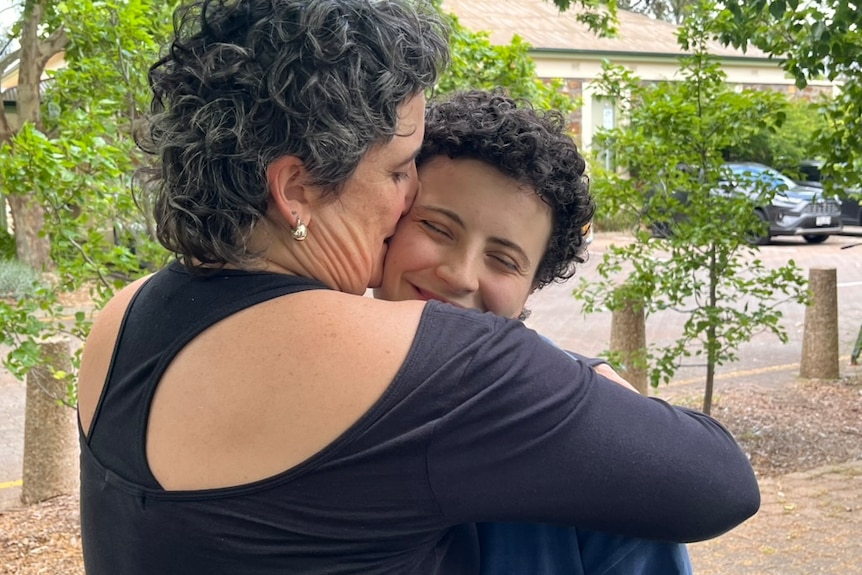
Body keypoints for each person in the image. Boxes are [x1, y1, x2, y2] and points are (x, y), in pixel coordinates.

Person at [77, 2, 759, 574]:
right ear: (297, 189)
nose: (407, 197)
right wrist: (581, 371)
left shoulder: (121, 321)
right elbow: (719, 483)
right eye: (402, 168)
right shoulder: (445, 367)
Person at [376, 89, 693, 574]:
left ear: (531, 289)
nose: (460, 275)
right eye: (437, 228)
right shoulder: (288, 379)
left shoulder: (590, 447)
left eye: (503, 260)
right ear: (390, 218)